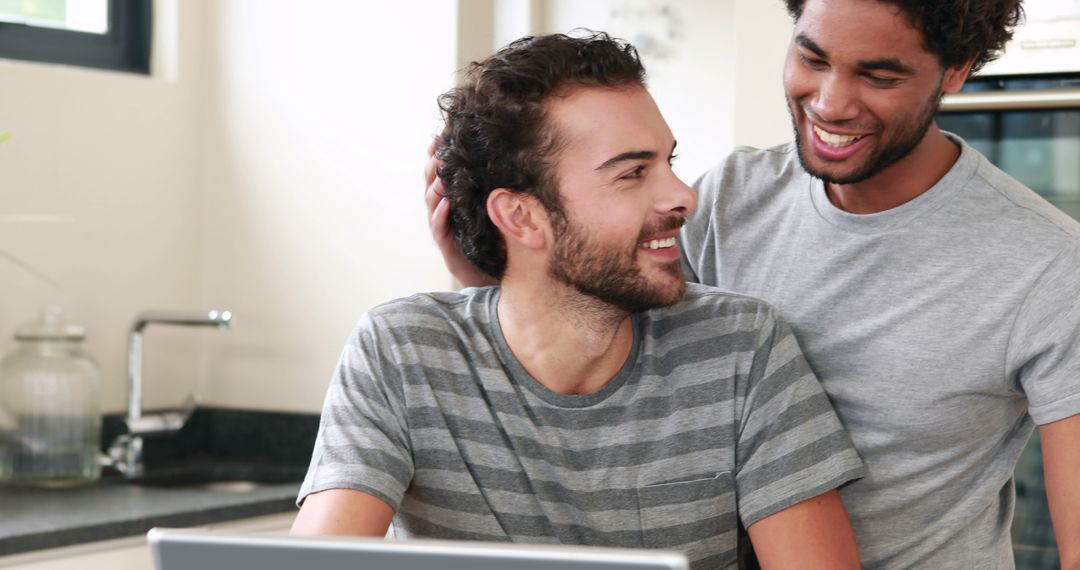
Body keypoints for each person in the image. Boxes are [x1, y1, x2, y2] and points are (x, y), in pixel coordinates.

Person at [425, 1, 1080, 569]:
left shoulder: (1049, 264)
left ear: (958, 70)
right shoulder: (730, 198)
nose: (830, 101)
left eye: (879, 75)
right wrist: (494, 276)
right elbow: (598, 339)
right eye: (812, 57)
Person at [293, 31, 865, 569]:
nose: (683, 196)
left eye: (668, 161)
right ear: (521, 216)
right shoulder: (403, 351)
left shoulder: (741, 347)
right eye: (632, 173)